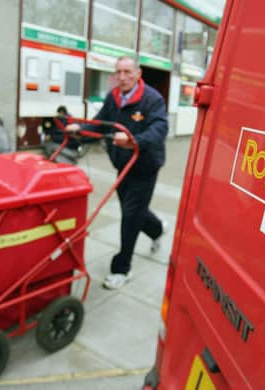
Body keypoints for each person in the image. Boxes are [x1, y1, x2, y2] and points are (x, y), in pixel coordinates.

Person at [67, 56, 168, 290]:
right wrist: (79, 130)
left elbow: (160, 129)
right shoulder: (113, 98)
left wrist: (135, 141)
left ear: (138, 73)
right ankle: (157, 229)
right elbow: (100, 122)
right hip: (123, 165)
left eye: (127, 72)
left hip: (144, 167)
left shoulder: (152, 99)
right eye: (118, 72)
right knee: (133, 211)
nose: (122, 77)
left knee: (131, 216)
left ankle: (122, 268)